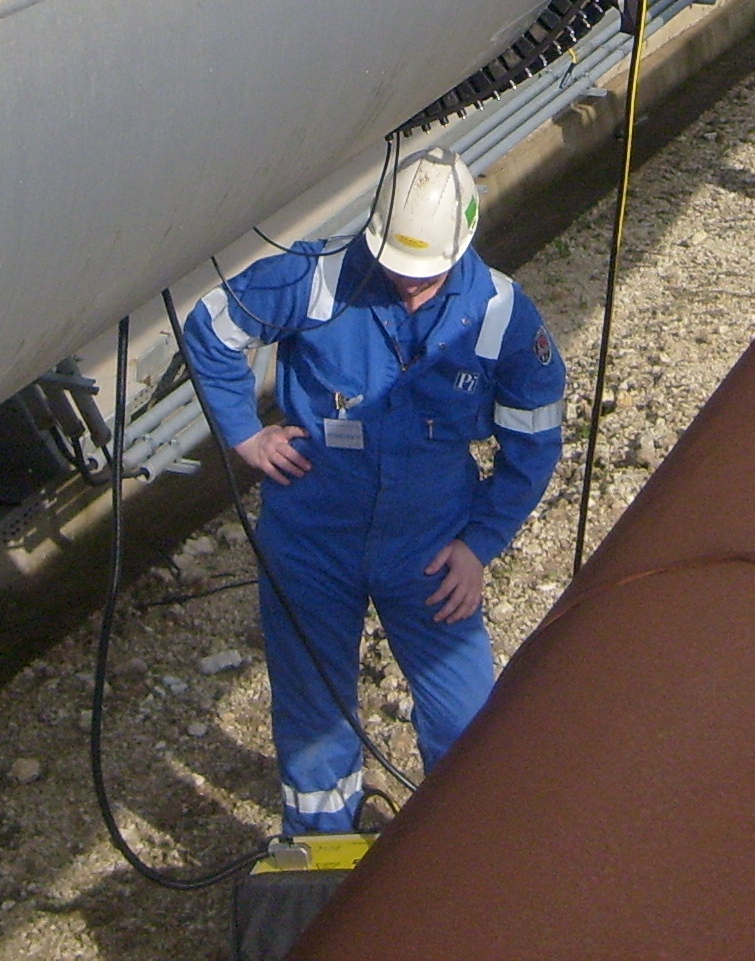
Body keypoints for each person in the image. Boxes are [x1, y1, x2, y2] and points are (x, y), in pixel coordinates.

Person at [179, 148, 565, 835]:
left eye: (426, 276)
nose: (409, 287)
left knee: (467, 716)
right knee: (313, 711)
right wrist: (244, 434)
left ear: (463, 246)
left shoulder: (503, 318)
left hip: (429, 549)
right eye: (395, 269)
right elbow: (212, 327)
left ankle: (458, 854)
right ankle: (326, 851)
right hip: (310, 543)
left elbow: (532, 441)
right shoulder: (315, 278)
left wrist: (479, 545)